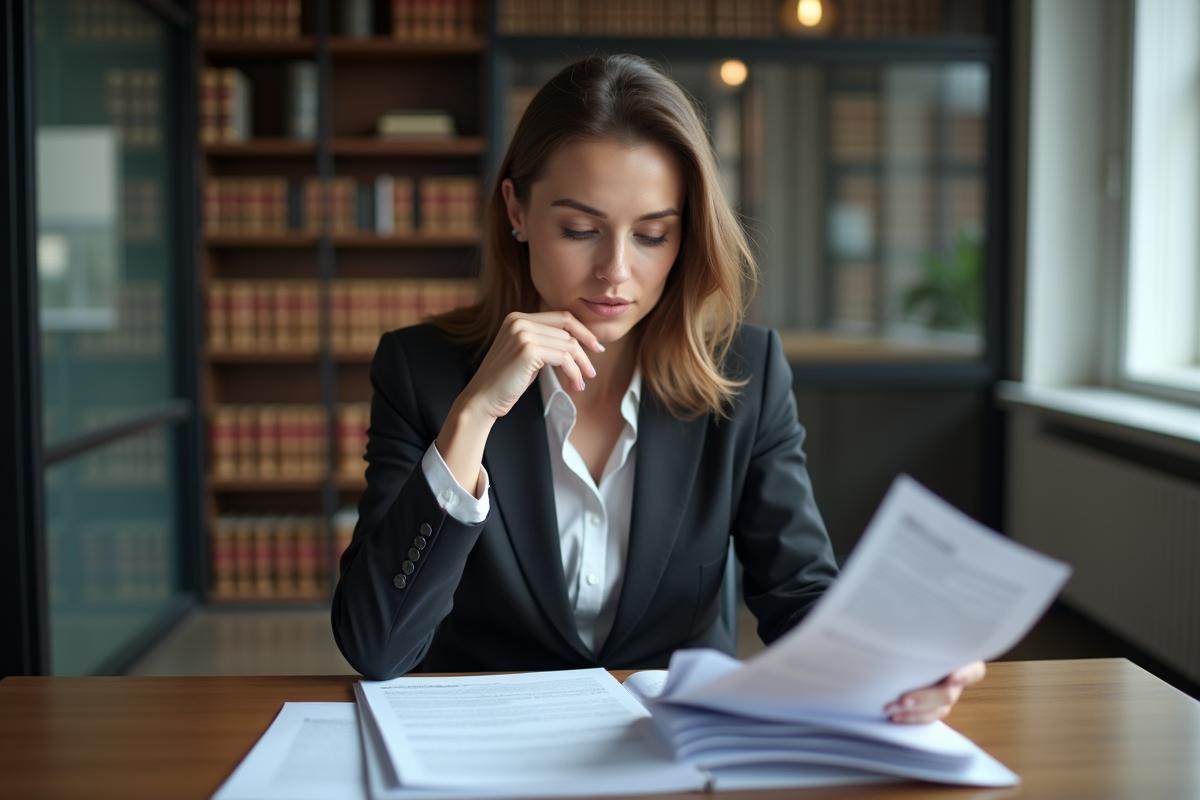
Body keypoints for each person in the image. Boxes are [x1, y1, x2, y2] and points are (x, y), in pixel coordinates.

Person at [332, 54, 984, 723]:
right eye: (579, 229)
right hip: (481, 747)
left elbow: (799, 594)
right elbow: (377, 646)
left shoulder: (747, 374)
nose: (616, 271)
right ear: (516, 211)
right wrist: (472, 418)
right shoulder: (423, 372)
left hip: (672, 754)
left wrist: (896, 665)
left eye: (652, 235)